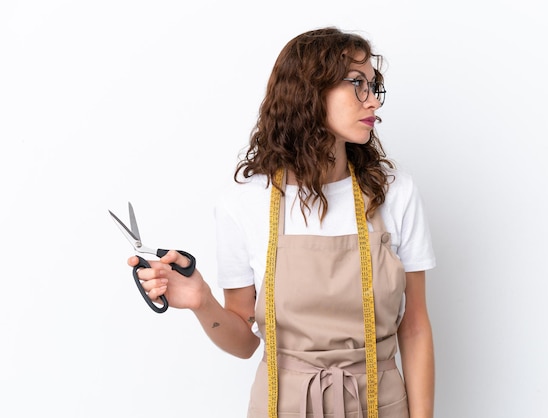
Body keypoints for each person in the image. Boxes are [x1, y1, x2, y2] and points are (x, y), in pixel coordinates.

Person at [128, 27, 436, 418]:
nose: (372, 99)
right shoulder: (244, 204)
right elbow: (244, 343)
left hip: (381, 405)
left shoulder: (395, 194)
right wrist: (201, 301)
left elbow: (415, 327)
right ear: (310, 91)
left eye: (374, 86)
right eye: (357, 83)